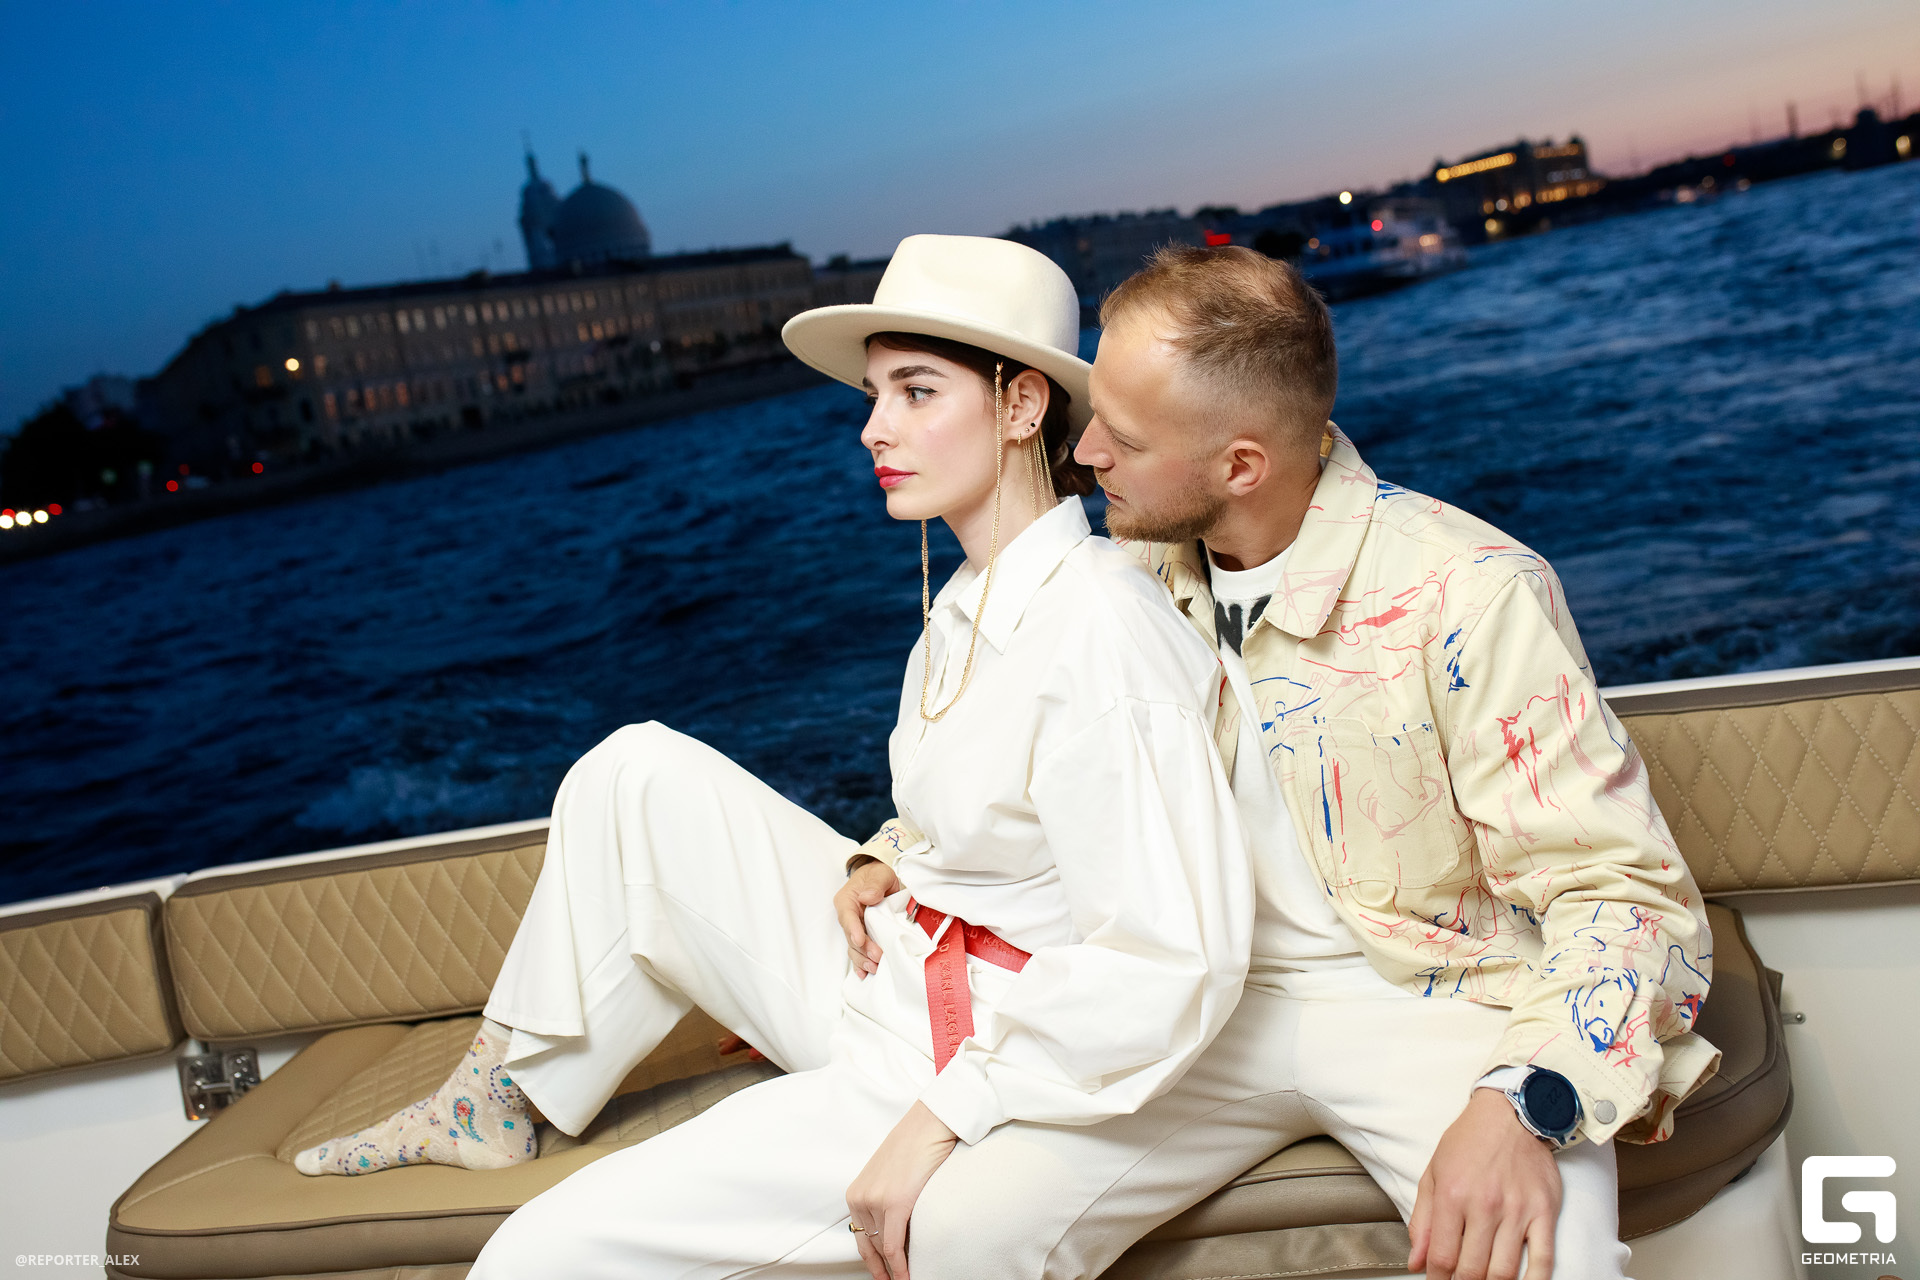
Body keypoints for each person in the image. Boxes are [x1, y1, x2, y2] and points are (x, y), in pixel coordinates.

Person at [292, 234, 1254, 1280]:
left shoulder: (1100, 624)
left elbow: (1169, 960)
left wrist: (944, 1113)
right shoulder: (966, 605)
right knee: (635, 770)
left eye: (916, 391)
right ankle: (497, 1099)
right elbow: (1002, 811)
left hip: (959, 1051)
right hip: (892, 964)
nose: (873, 427)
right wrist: (892, 855)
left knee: (530, 1262)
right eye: (875, 395)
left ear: (1023, 405)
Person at [835, 246, 1716, 1280]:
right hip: (1207, 1018)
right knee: (956, 1233)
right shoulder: (1127, 574)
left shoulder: (1469, 591)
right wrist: (896, 849)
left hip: (1435, 1004)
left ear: (1240, 466)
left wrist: (1522, 1101)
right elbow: (1023, 742)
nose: (1087, 449)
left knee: (1551, 1260)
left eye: (1124, 434)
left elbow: (1624, 894)